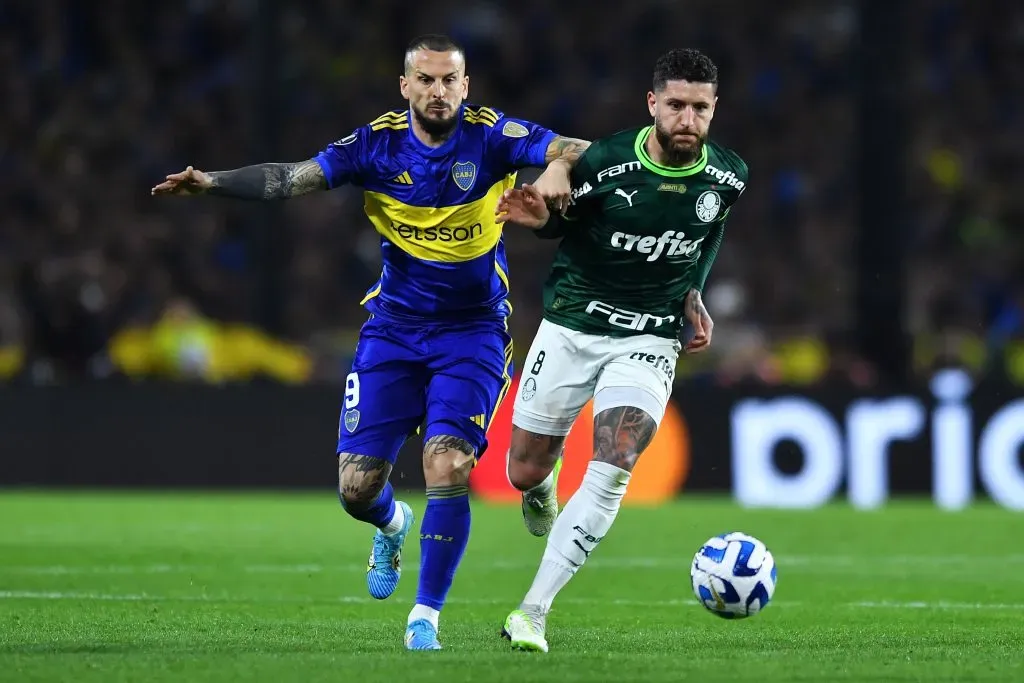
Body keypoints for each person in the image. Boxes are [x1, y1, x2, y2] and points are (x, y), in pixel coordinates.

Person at [151, 33, 588, 651]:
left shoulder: (491, 136)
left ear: (466, 86)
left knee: (447, 463)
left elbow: (578, 148)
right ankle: (392, 522)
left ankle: (425, 617)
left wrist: (558, 165)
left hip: (473, 331)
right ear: (405, 86)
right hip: (393, 331)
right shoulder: (374, 146)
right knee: (356, 491)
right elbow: (294, 178)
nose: (438, 91)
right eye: (426, 80)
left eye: (450, 80)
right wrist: (213, 182)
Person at [493, 47, 748, 652]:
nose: (688, 119)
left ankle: (533, 611)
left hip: (649, 337)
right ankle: (541, 487)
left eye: (700, 108)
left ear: (715, 109)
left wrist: (692, 292)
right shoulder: (606, 162)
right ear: (653, 103)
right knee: (522, 469)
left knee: (615, 461)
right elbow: (563, 224)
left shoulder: (729, 176)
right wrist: (541, 218)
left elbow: (708, 232)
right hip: (574, 324)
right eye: (677, 105)